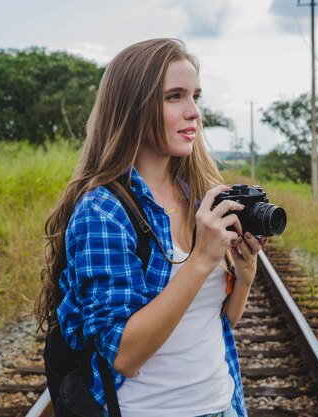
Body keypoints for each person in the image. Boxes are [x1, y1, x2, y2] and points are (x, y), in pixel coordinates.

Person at [34, 38, 266, 417]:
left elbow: (213, 324)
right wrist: (202, 259)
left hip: (223, 404)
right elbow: (125, 355)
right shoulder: (104, 211)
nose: (193, 112)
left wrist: (244, 276)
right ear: (133, 107)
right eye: (174, 97)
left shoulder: (197, 197)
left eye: (196, 96)